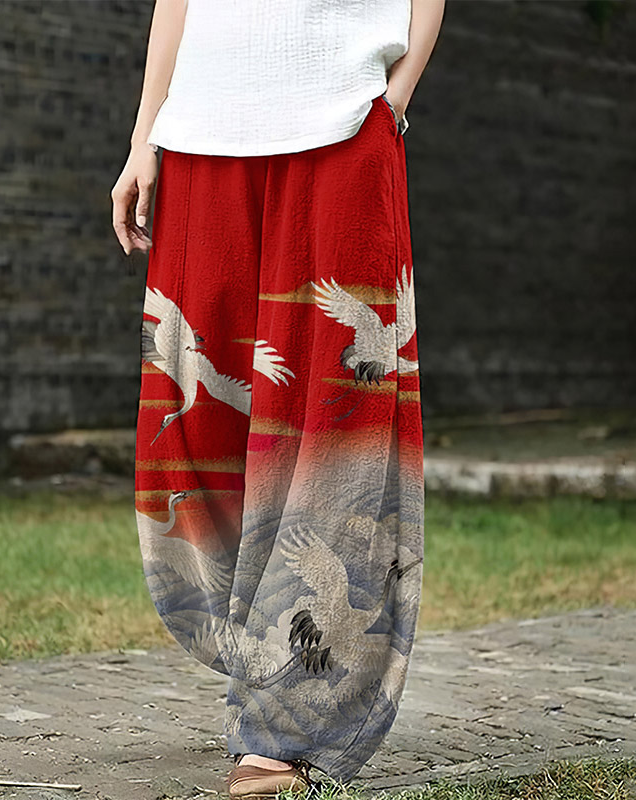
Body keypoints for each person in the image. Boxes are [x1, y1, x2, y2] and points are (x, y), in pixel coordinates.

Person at [111, 1, 445, 796]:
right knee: (201, 421)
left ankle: (288, 722)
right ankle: (261, 660)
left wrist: (394, 100)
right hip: (201, 135)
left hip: (342, 127)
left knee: (333, 421)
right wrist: (144, 137)